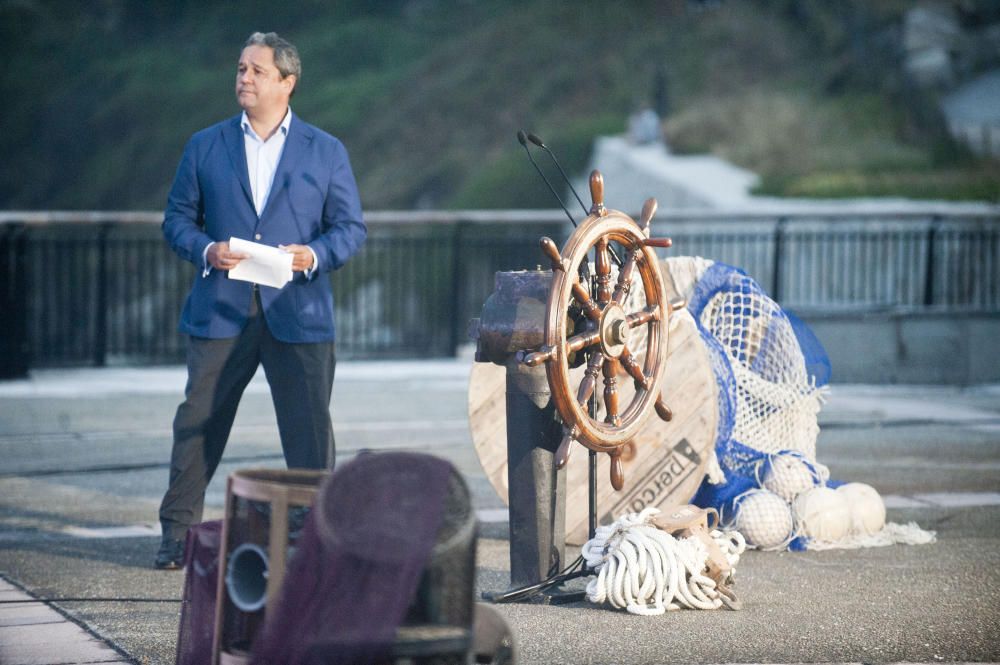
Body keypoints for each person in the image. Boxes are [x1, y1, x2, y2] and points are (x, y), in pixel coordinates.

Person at [155, 31, 366, 569]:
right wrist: (207, 248)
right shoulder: (205, 144)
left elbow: (350, 229)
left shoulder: (326, 150)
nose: (243, 78)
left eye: (256, 71)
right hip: (220, 309)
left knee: (310, 434)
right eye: (241, 68)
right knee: (197, 422)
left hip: (299, 312)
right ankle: (177, 537)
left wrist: (311, 255)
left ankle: (317, 540)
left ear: (287, 83)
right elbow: (177, 220)